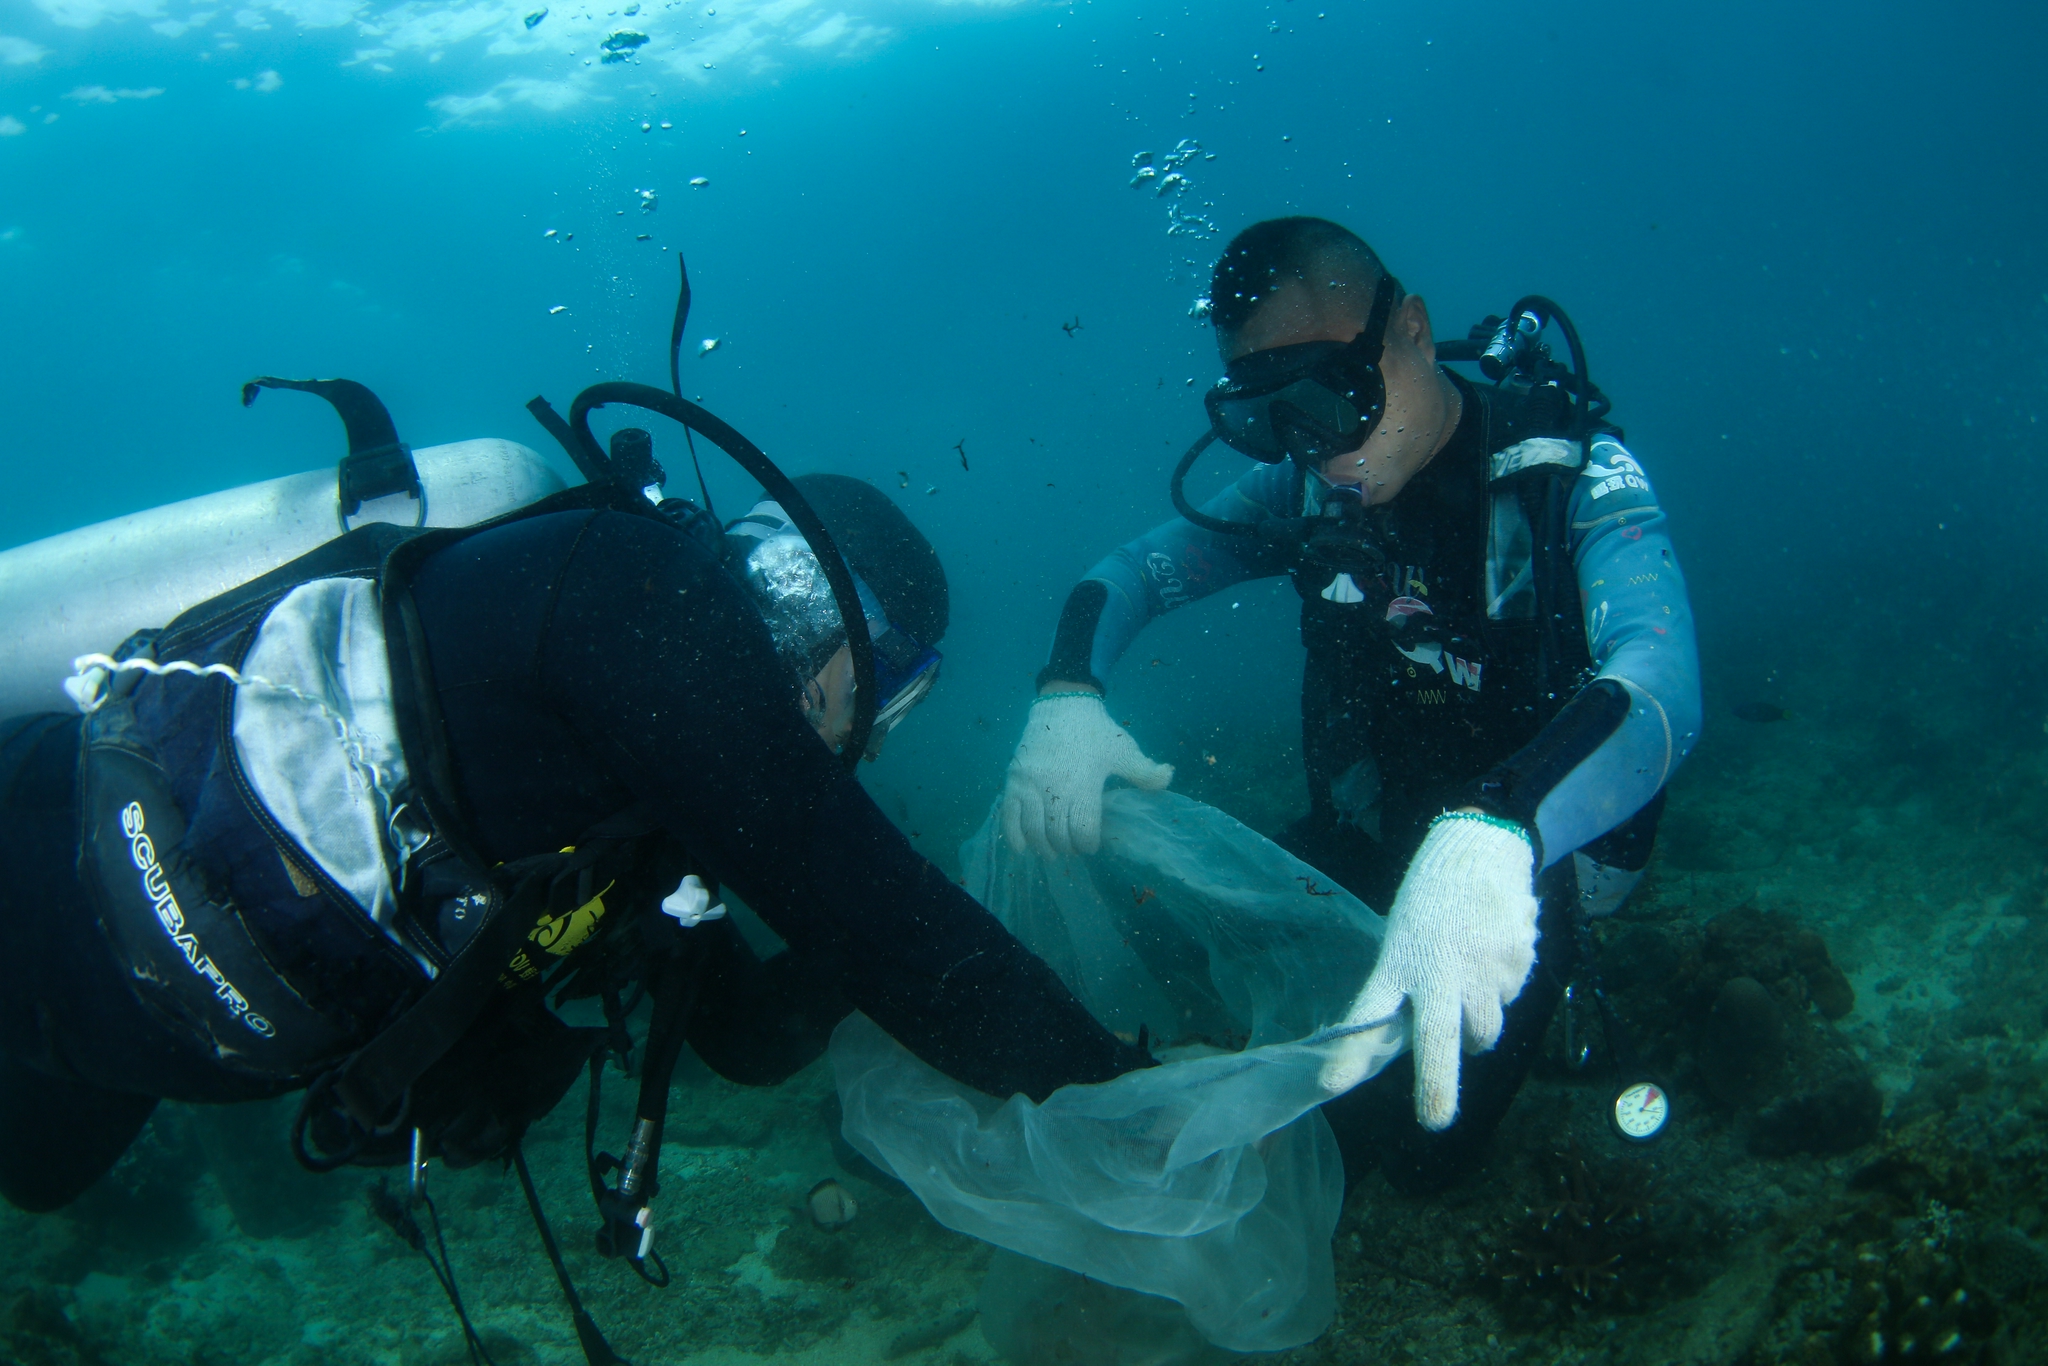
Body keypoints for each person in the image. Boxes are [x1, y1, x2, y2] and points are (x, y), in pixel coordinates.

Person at [0, 463, 1147, 1216]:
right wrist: (1133, 1099)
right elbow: (886, 929)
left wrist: (872, 944)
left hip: (121, 1041)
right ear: (819, 608)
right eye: (886, 696)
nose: (876, 744)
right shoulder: (630, 593)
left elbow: (749, 1034)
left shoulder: (650, 799)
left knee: (40, 1174)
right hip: (41, 860)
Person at [1002, 217, 1701, 1192]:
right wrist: (1067, 694)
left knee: (1421, 1153)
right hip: (1380, 821)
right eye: (1266, 418)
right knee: (1155, 911)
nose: (1313, 449)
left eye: (1331, 396)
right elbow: (1134, 572)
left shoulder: (1563, 478)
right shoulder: (1307, 491)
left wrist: (1506, 824)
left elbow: (1659, 684)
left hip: (1531, 862)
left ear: (1410, 329)